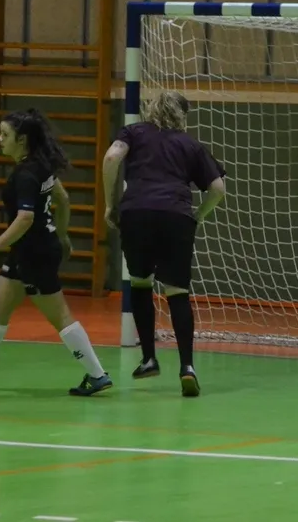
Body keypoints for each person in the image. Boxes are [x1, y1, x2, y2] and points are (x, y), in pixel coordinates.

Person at [0, 109, 112, 396]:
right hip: (30, 249)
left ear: (22, 140)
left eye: (5, 134)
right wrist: (62, 235)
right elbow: (63, 199)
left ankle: (97, 374)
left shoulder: (26, 174)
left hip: (34, 253)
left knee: (60, 316)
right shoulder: (41, 166)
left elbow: (26, 218)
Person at [102, 91, 226, 397]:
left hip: (137, 212)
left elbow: (112, 157)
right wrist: (198, 215)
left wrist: (110, 203)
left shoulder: (133, 132)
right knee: (177, 292)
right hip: (176, 216)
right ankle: (187, 367)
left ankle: (148, 359)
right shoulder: (190, 144)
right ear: (182, 114)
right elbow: (218, 188)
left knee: (140, 282)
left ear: (151, 109)